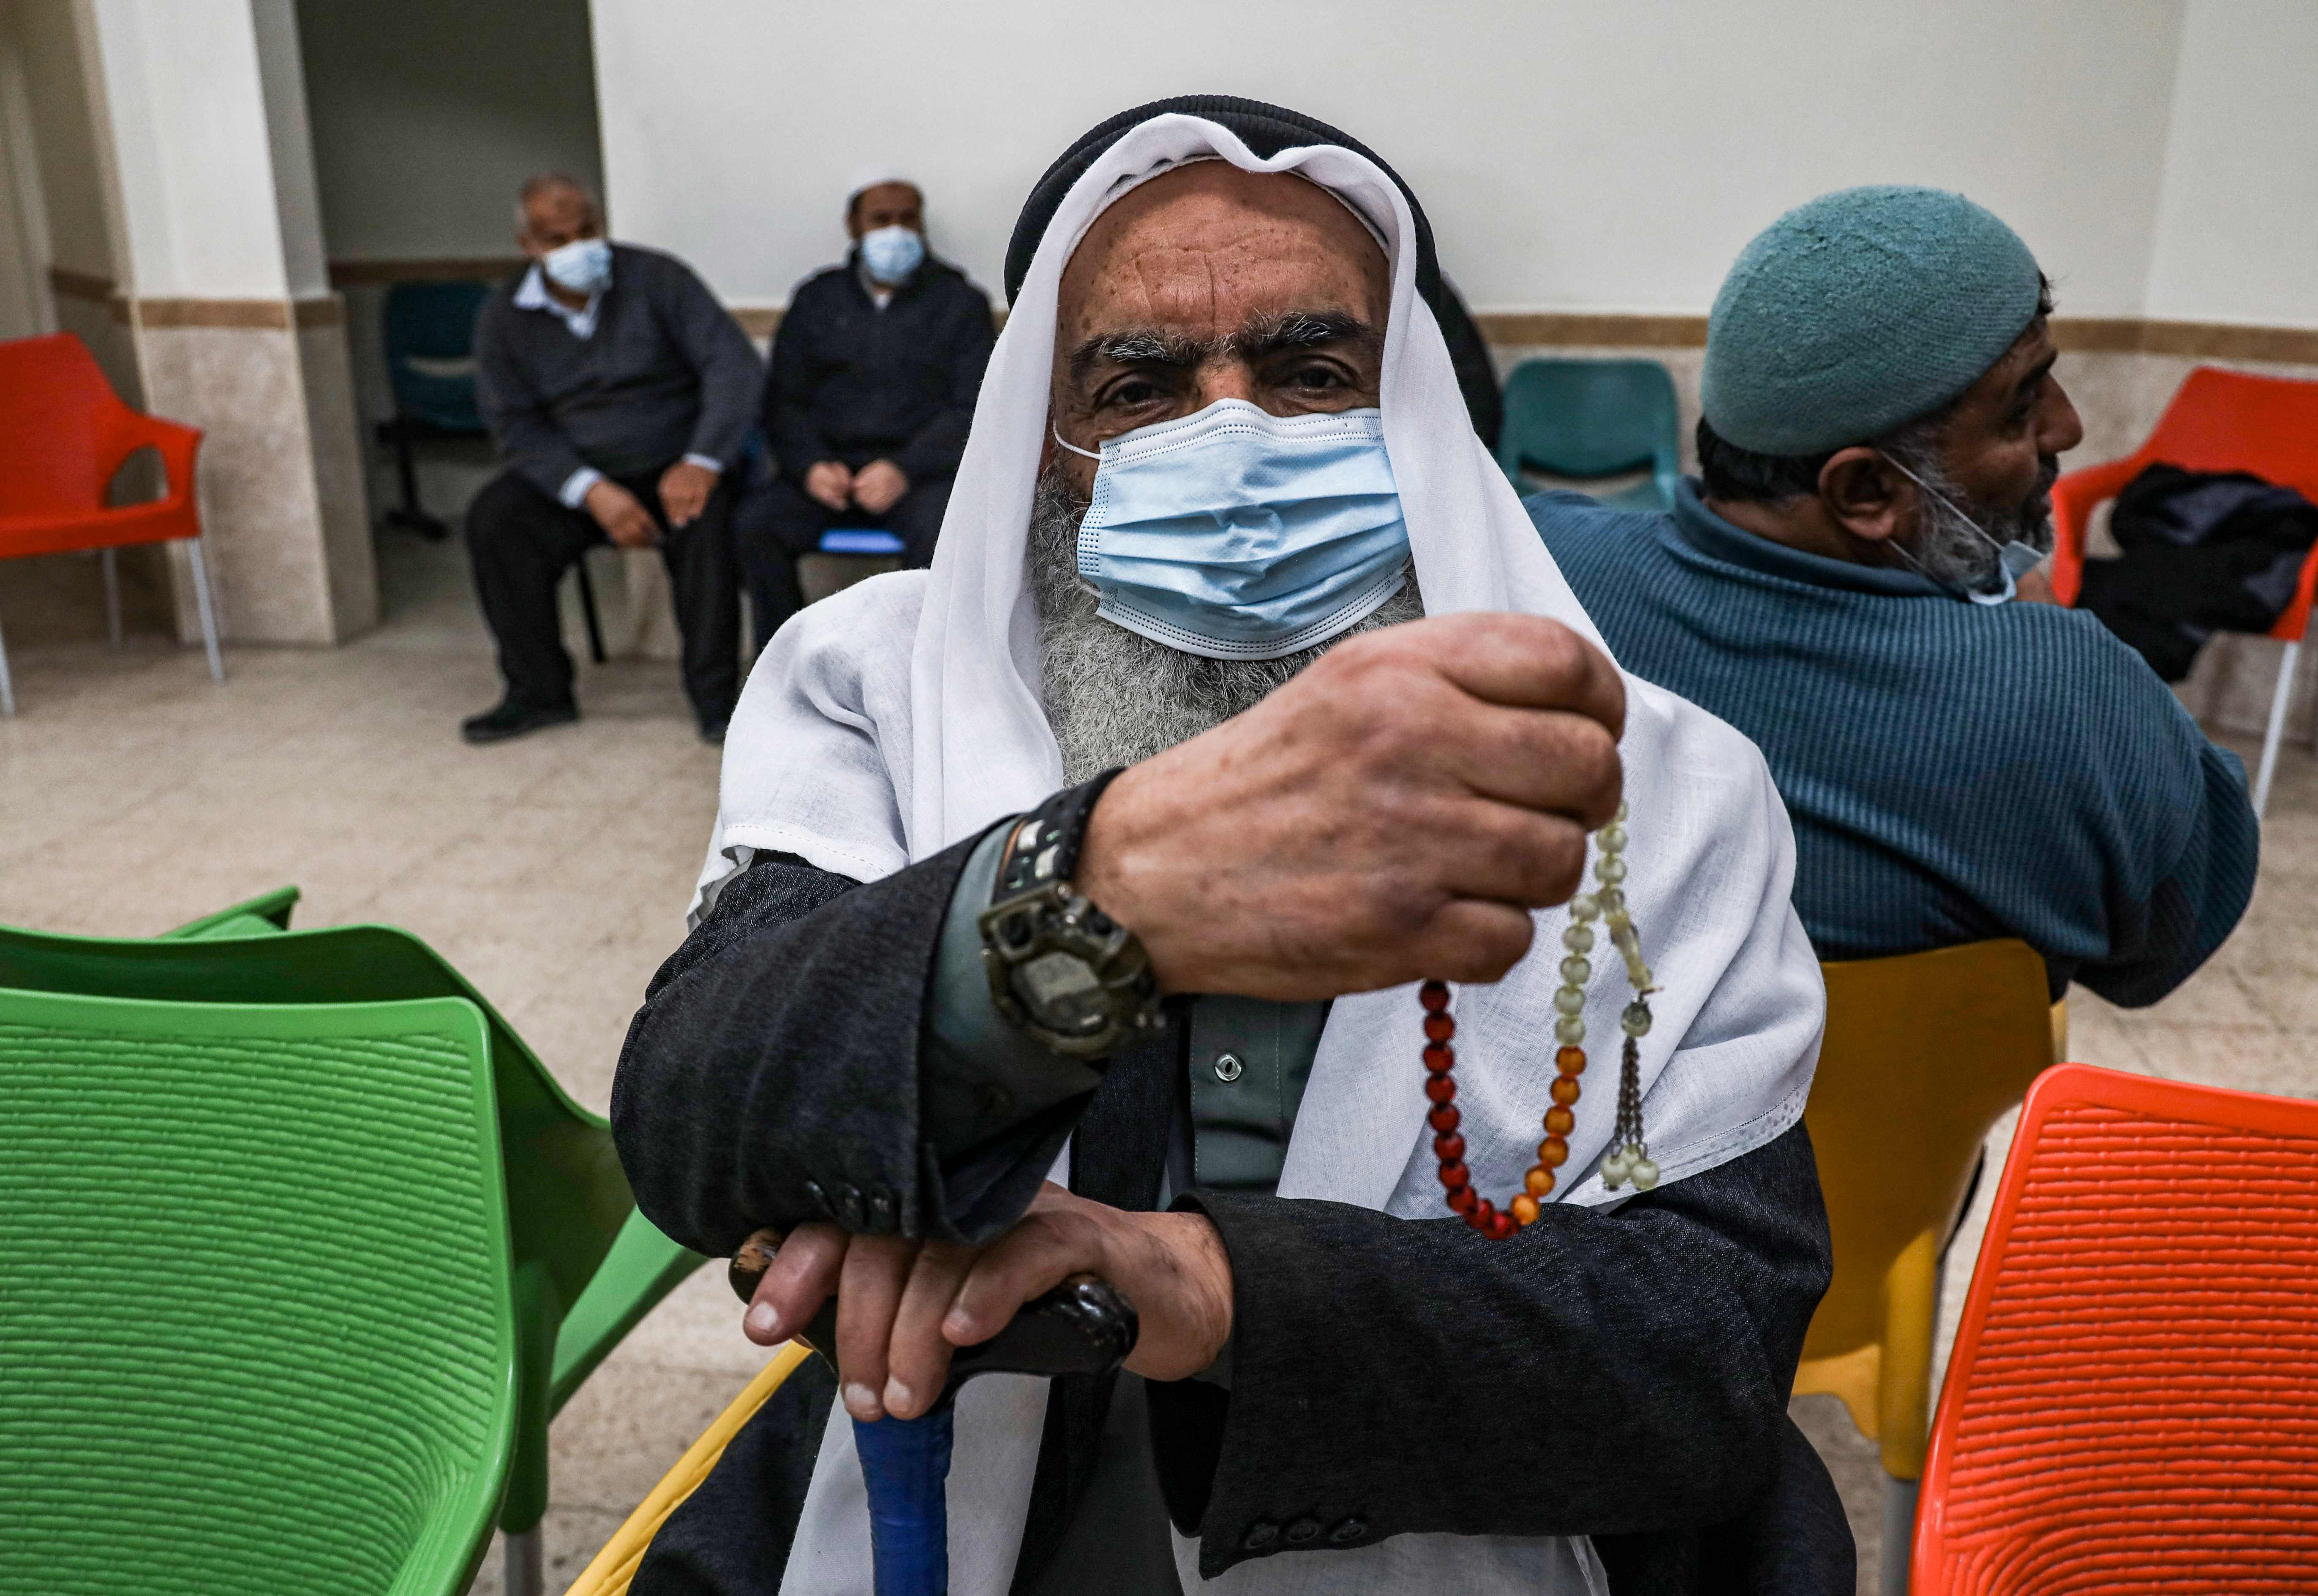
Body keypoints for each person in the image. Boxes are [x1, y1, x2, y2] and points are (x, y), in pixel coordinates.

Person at [615, 99, 1850, 1596]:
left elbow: (1701, 1348)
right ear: (1045, 440)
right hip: (983, 1480)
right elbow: (695, 1112)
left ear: (1409, 408)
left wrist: (1198, 1287)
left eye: (1309, 372)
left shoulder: (1655, 782)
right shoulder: (868, 683)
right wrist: (1093, 900)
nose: (1231, 432)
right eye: (1138, 386)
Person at [1530, 187, 2258, 1003]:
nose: (2068, 428)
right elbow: (2165, 947)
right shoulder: (2069, 692)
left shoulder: (1535, 571)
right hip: (1919, 1134)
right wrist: (2047, 645)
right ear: (1868, 491)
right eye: (2023, 407)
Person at [464, 173, 762, 745]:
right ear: (527, 245)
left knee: (708, 521)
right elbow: (513, 421)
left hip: (676, 462)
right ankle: (538, 693)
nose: (577, 248)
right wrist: (590, 491)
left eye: (587, 230)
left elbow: (732, 365)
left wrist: (702, 460)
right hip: (580, 477)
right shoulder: (504, 318)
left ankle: (716, 701)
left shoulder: (658, 278)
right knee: (496, 521)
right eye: (556, 238)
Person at [734, 171, 997, 646]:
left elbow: (972, 407)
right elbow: (784, 401)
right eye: (880, 220)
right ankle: (784, 667)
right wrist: (810, 465)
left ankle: (915, 669)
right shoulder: (816, 299)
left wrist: (904, 468)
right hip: (827, 474)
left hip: (919, 478)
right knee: (755, 525)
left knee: (946, 533)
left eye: (906, 219)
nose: (894, 231)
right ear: (853, 227)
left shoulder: (960, 303)